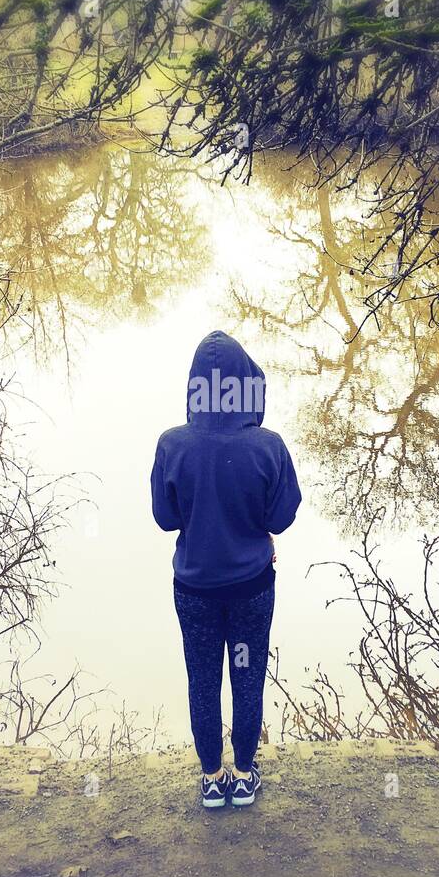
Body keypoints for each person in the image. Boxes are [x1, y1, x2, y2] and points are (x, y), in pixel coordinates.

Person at [150, 331, 302, 808]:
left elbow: (166, 518)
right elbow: (280, 517)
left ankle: (212, 777)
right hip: (252, 587)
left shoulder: (172, 445)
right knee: (247, 673)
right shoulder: (268, 446)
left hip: (193, 588)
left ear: (196, 386)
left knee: (202, 677)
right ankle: (243, 773)